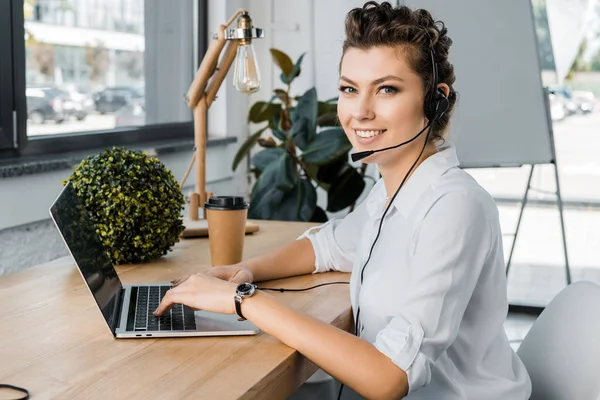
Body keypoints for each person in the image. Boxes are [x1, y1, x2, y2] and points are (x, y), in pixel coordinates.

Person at [155, 2, 532, 398]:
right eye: (349, 89)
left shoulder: (454, 208)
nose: (360, 112)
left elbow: (389, 378)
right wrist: (242, 271)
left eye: (387, 89)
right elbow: (328, 246)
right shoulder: (392, 192)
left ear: (435, 100)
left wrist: (242, 302)